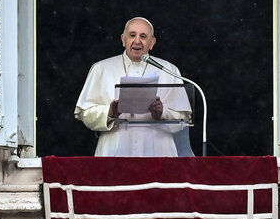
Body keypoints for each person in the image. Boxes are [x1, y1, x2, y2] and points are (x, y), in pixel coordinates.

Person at [74, 17, 192, 156]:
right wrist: (110, 112)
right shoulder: (101, 68)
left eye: (143, 36)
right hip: (114, 152)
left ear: (152, 43)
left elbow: (183, 118)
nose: (137, 41)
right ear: (123, 40)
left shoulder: (169, 70)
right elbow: (85, 113)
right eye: (132, 35)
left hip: (158, 153)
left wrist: (162, 112)